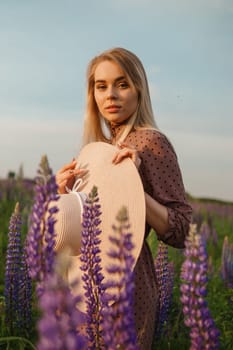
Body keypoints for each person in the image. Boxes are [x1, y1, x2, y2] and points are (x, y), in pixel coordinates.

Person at [56, 47, 193, 349]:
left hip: (127, 286)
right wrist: (64, 195)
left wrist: (133, 187)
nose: (111, 95)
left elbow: (184, 230)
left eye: (122, 84)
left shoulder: (150, 142)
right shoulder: (97, 149)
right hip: (80, 285)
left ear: (139, 89)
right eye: (101, 87)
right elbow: (72, 236)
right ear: (92, 95)